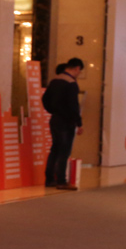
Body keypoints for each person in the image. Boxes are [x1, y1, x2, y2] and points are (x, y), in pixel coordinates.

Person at [42, 57, 84, 190]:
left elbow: (45, 99)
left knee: (55, 149)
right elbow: (74, 106)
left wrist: (52, 110)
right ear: (77, 68)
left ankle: (49, 179)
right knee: (64, 151)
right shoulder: (71, 83)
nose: (79, 73)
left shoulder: (54, 81)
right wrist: (79, 123)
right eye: (80, 71)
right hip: (67, 122)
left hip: (55, 119)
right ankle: (61, 180)